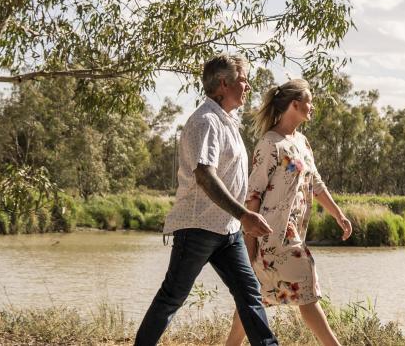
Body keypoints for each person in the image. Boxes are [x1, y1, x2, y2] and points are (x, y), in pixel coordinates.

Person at [134, 55, 279, 346]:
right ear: (223, 84)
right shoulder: (206, 121)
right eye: (242, 80)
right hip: (198, 227)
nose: (247, 86)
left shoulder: (226, 121)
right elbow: (204, 174)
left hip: (227, 231)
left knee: (249, 294)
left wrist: (238, 220)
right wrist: (245, 215)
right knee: (172, 296)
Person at [224, 79, 353, 346]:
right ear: (294, 104)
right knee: (307, 290)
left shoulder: (302, 142)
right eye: (309, 101)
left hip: (294, 232)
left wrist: (338, 215)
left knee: (255, 298)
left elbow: (315, 182)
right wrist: (248, 243)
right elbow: (253, 195)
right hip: (272, 236)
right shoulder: (270, 144)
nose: (312, 106)